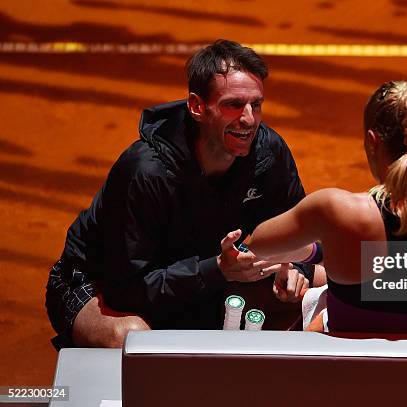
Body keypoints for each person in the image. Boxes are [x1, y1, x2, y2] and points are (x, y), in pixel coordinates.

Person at [45, 40, 313, 349]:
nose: (249, 119)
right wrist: (218, 269)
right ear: (198, 106)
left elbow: (298, 232)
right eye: (233, 105)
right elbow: (127, 288)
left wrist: (294, 270)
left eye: (256, 104)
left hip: (202, 279)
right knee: (129, 339)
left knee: (309, 290)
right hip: (103, 285)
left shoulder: (269, 152)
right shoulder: (144, 171)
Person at [242, 80, 407, 333]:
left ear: (372, 140)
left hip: (346, 370)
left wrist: (321, 250)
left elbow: (258, 244)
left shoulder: (334, 210)